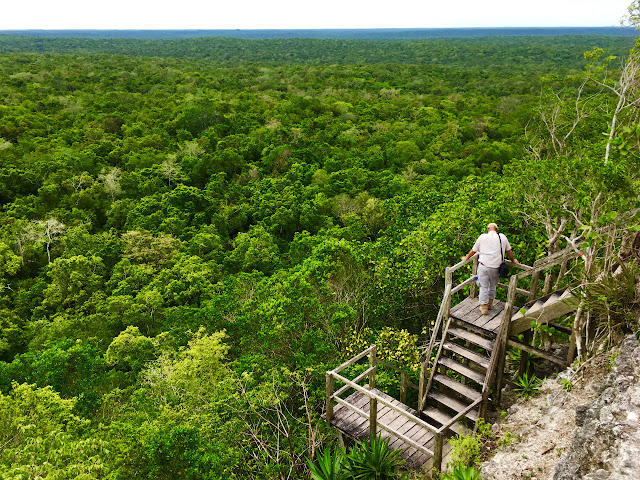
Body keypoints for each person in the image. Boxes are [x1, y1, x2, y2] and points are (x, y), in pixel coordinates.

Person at [461, 223, 517, 315]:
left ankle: (484, 307)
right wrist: (513, 260)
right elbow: (509, 251)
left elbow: (474, 250)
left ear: (488, 229)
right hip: (496, 267)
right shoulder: (502, 237)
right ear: (496, 229)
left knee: (483, 286)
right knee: (492, 286)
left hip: (484, 266)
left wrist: (466, 258)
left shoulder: (482, 237)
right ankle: (490, 304)